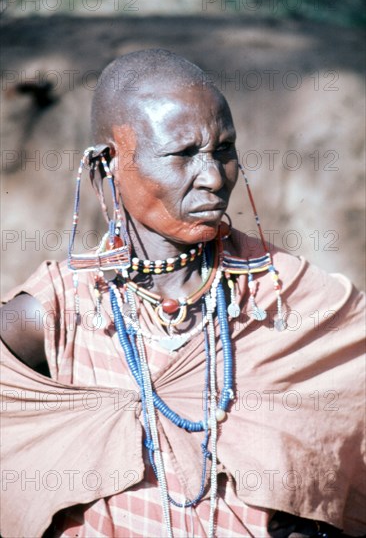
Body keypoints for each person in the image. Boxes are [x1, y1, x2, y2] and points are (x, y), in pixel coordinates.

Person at [0, 49, 365, 538]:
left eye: (224, 149)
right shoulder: (58, 309)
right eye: (183, 154)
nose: (213, 177)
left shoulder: (287, 294)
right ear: (110, 162)